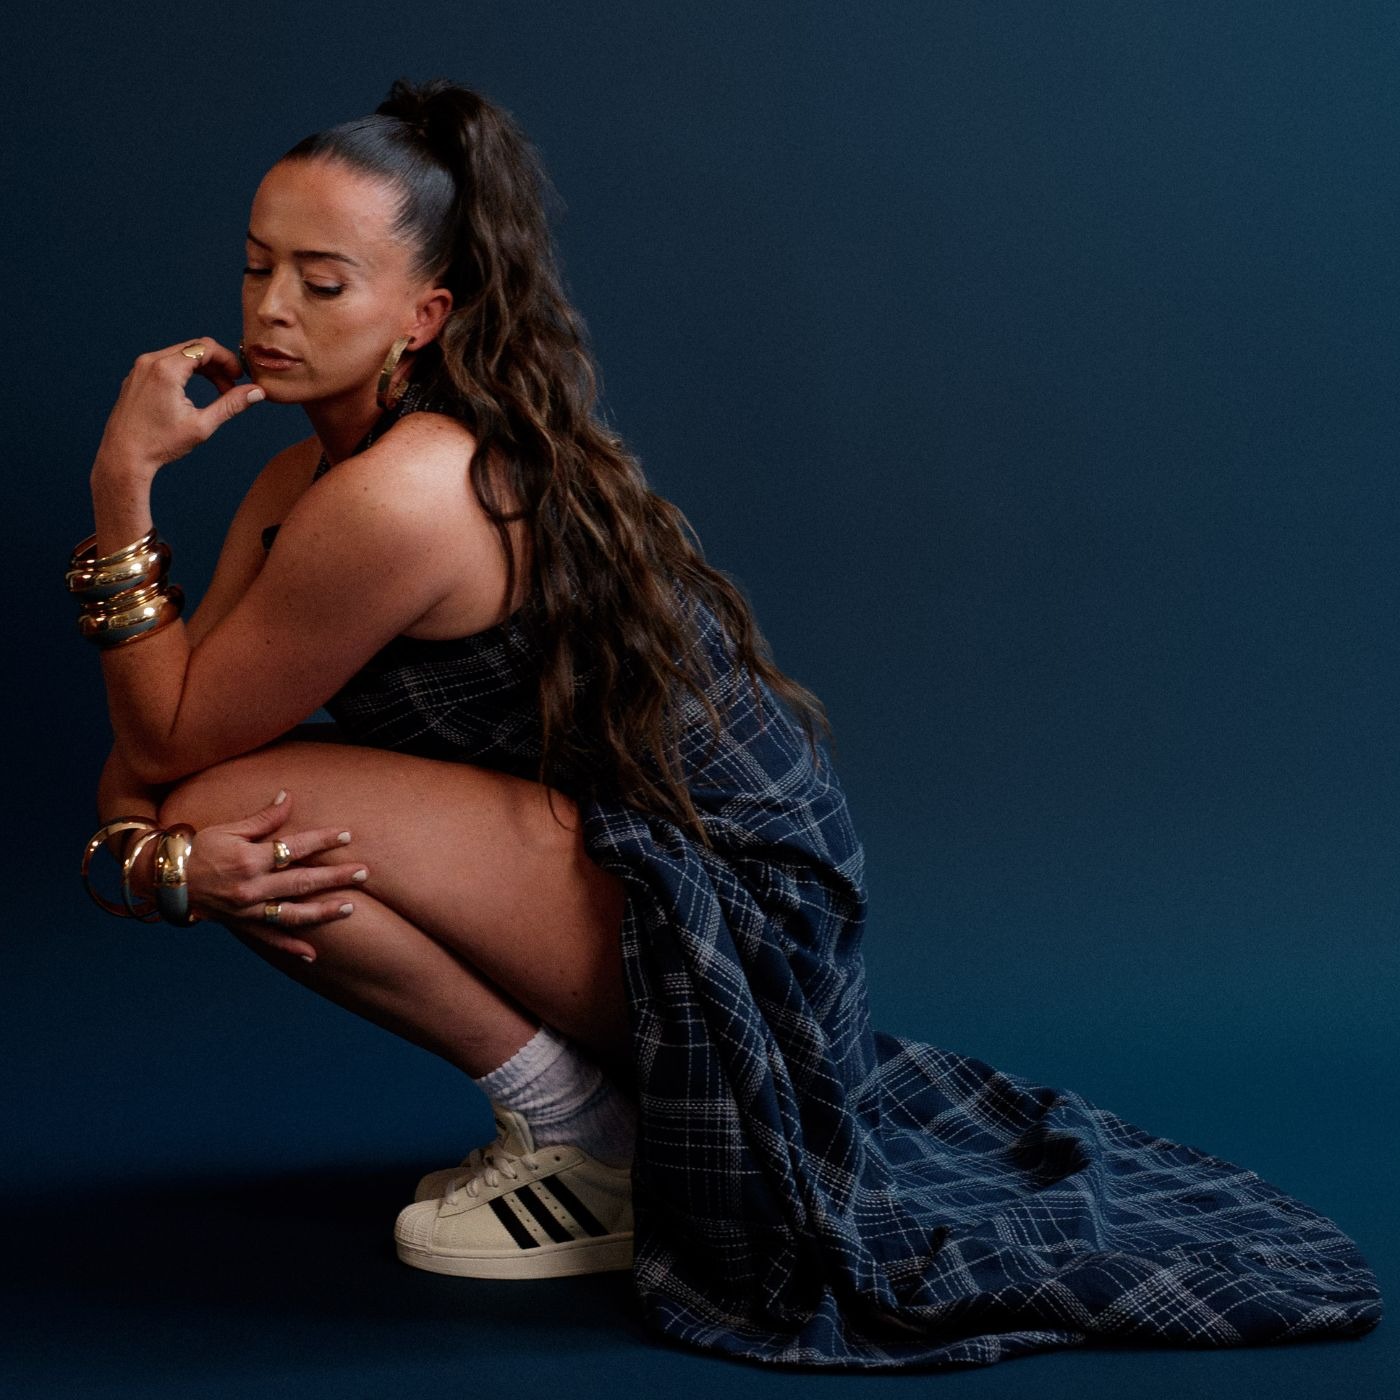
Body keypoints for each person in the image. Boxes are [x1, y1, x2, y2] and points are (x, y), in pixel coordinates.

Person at [73, 78, 1383, 1371]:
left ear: (427, 314)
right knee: (216, 813)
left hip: (734, 913)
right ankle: (593, 1124)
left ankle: (586, 1138)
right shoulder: (301, 481)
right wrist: (158, 854)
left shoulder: (402, 497)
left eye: (323, 281)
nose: (270, 310)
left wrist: (123, 487)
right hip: (623, 854)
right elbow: (161, 749)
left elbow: (174, 753)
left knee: (228, 813)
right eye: (257, 267)